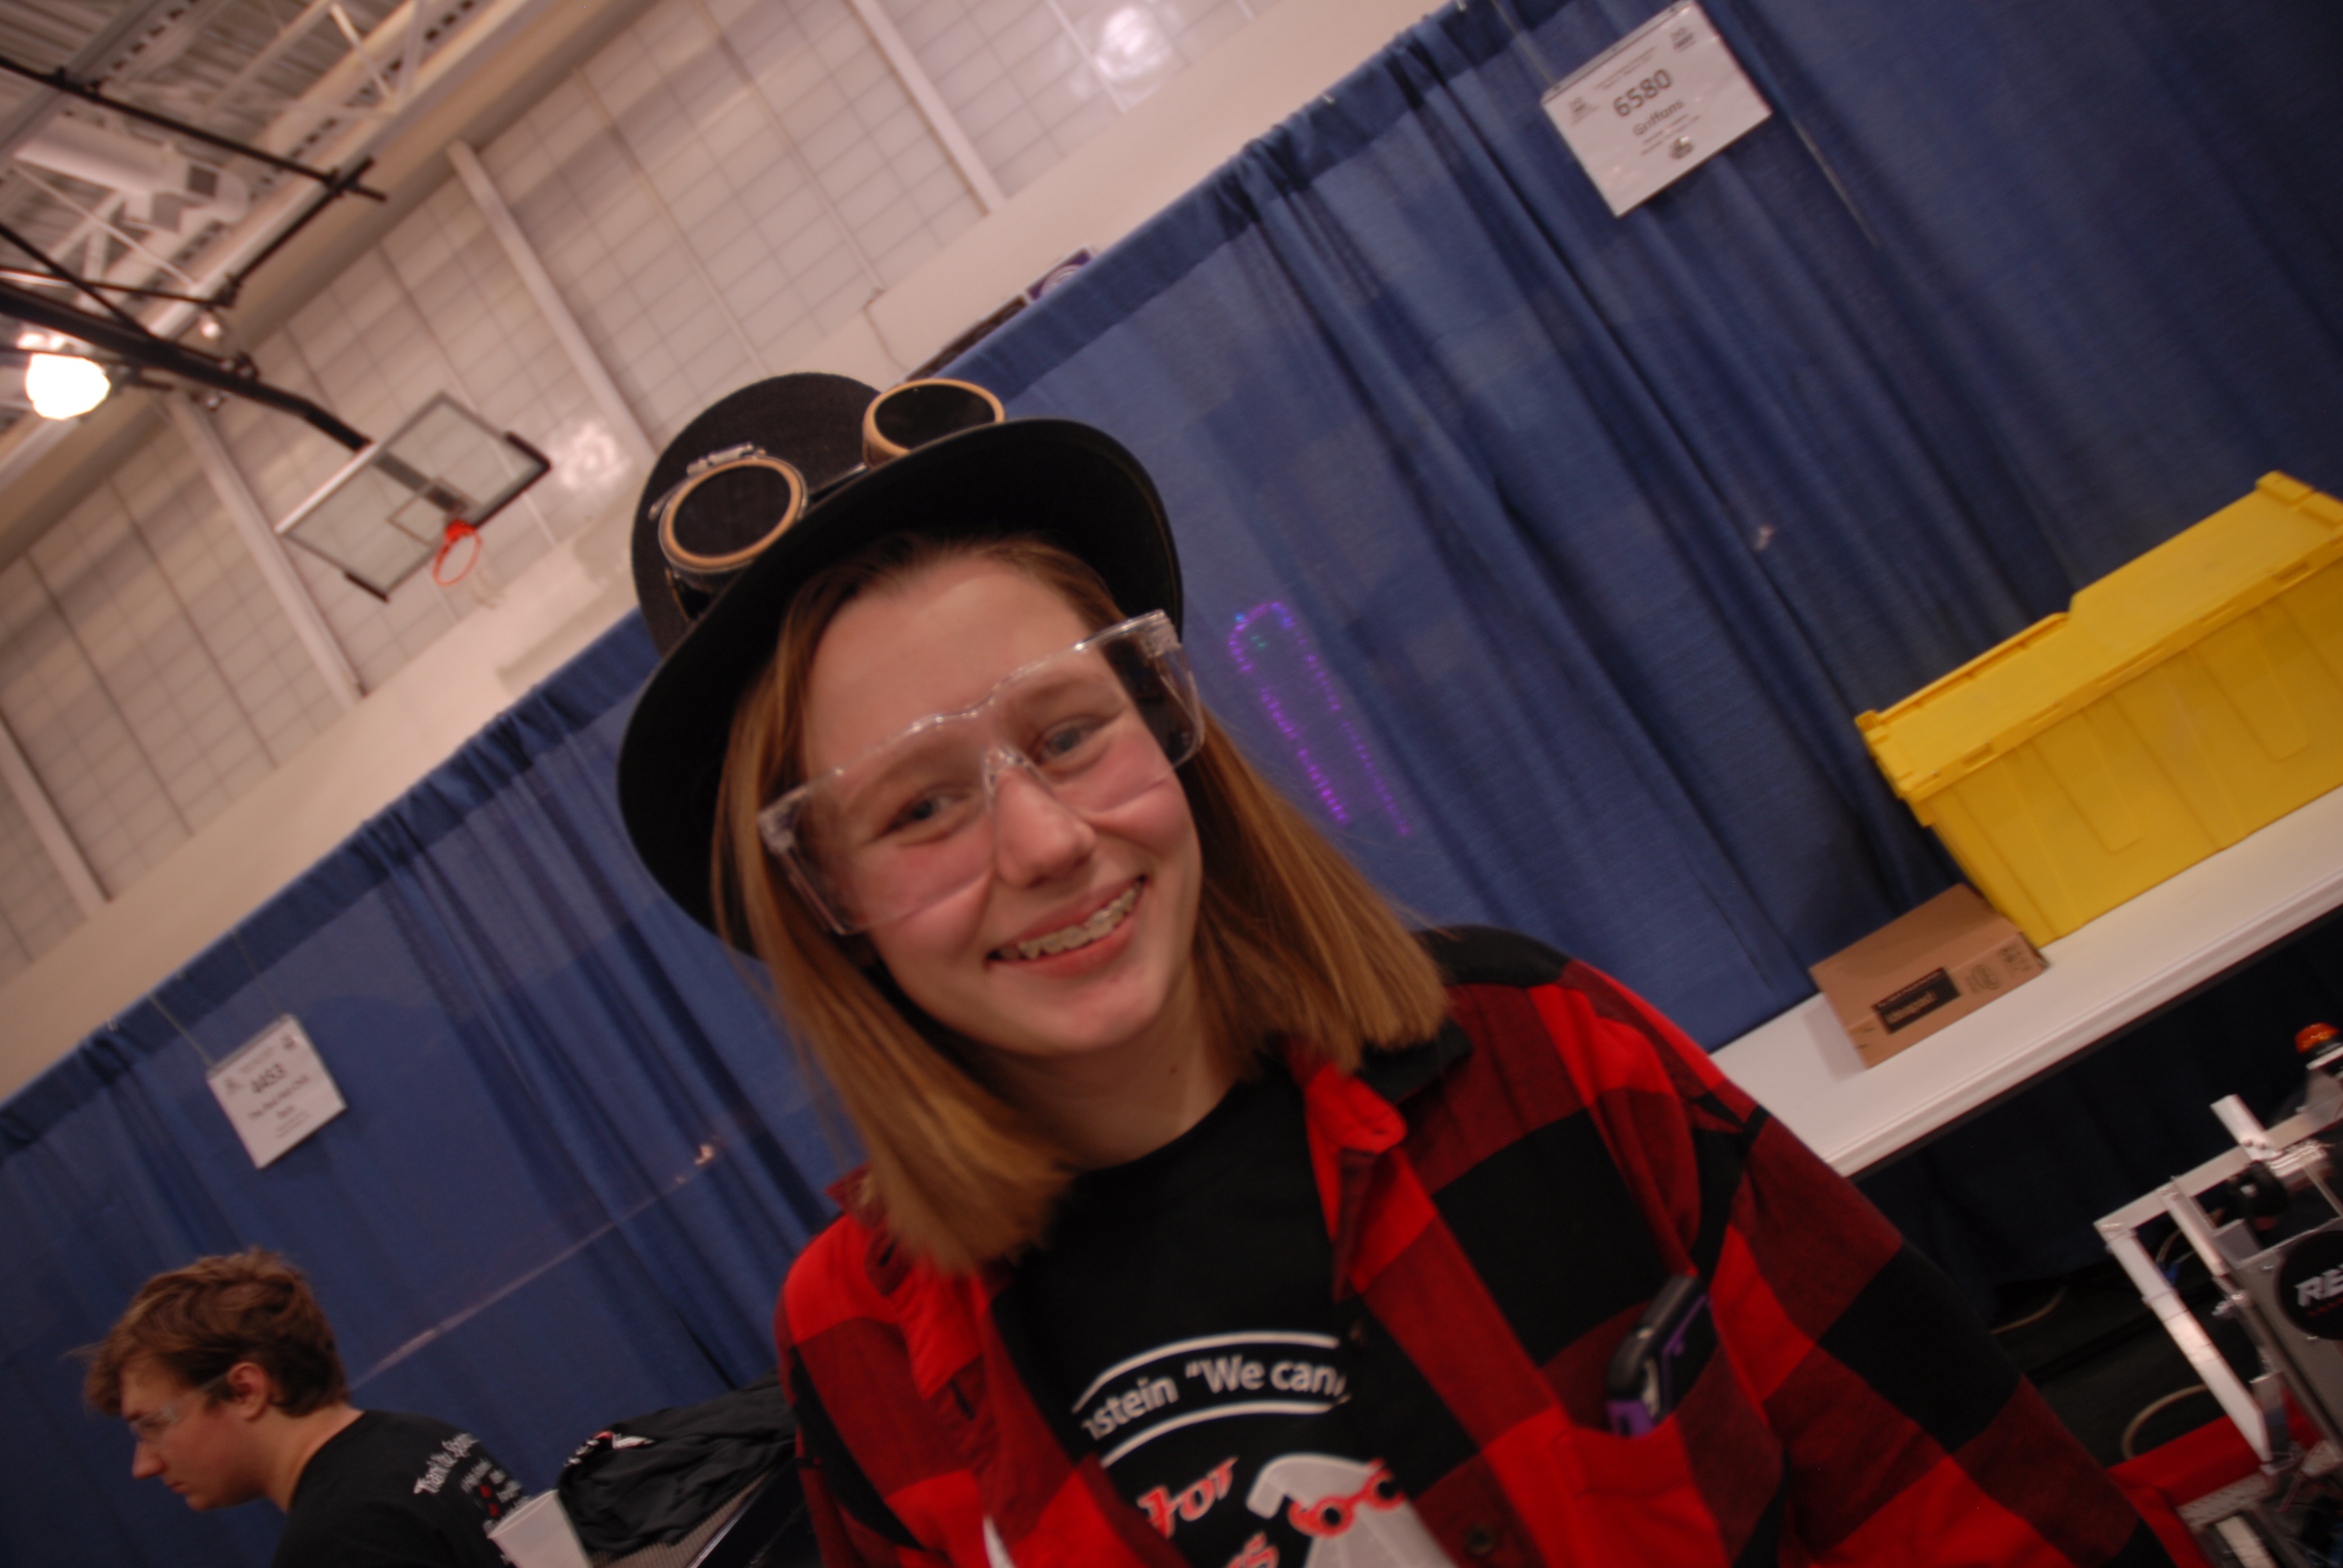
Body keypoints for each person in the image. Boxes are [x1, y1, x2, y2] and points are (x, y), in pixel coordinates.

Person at [614, 373, 2169, 1567]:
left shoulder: (1534, 1051)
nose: (1045, 841)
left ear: (1164, 722)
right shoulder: (859, 1341)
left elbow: (1949, 1496)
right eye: (918, 807)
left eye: (1069, 732)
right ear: (823, 893)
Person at [84, 1247, 525, 1568]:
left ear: (244, 1391)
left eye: (153, 1425)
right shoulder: (424, 1437)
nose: (143, 1465)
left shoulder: (337, 1542)